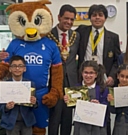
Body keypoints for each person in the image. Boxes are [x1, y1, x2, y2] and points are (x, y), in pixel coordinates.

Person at [75, 4, 121, 134]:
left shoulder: (113, 37)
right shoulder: (81, 32)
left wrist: (112, 76)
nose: (97, 18)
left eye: (100, 15)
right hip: (86, 76)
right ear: (90, 18)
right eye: (94, 15)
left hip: (103, 77)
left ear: (105, 18)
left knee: (103, 109)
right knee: (84, 108)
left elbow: (117, 60)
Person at [48, 4, 80, 135]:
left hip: (71, 81)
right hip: (54, 82)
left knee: (67, 118)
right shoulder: (48, 35)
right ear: (59, 17)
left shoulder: (76, 36)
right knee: (54, 117)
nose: (69, 22)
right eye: (66, 18)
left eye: (72, 19)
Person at [64, 60, 109, 135]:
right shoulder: (76, 88)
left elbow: (107, 106)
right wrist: (68, 100)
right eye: (86, 72)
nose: (88, 76)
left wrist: (99, 105)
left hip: (97, 127)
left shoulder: (103, 89)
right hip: (81, 127)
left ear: (96, 74)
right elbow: (72, 106)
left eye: (91, 73)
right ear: (82, 73)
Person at [0, 55, 37, 135]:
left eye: (20, 66)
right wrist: (6, 107)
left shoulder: (30, 84)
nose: (17, 68)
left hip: (27, 122)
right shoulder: (5, 85)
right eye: (14, 66)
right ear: (10, 69)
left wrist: (34, 102)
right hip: (11, 122)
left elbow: (35, 104)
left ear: (24, 69)